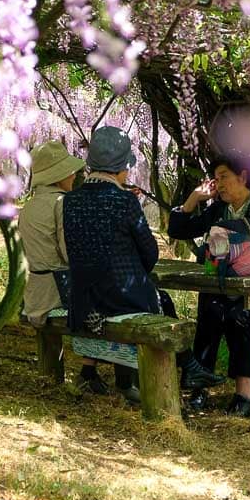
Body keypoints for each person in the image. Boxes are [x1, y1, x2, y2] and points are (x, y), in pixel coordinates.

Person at [63, 126, 222, 399]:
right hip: (115, 299)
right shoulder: (124, 200)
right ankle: (182, 372)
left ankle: (178, 370)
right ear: (120, 169)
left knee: (154, 297)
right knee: (160, 301)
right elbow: (149, 254)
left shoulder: (71, 200)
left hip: (82, 299)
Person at [168, 154, 250, 417]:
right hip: (221, 284)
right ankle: (199, 389)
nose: (219, 184)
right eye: (216, 179)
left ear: (243, 177)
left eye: (223, 177)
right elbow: (177, 231)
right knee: (210, 311)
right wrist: (194, 198)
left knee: (240, 317)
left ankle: (244, 394)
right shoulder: (216, 210)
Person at [18, 141, 116, 394]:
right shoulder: (62, 203)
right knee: (118, 299)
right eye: (69, 171)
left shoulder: (28, 206)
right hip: (58, 293)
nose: (74, 175)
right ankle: (121, 377)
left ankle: (89, 370)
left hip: (35, 292)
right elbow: (70, 252)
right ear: (58, 175)